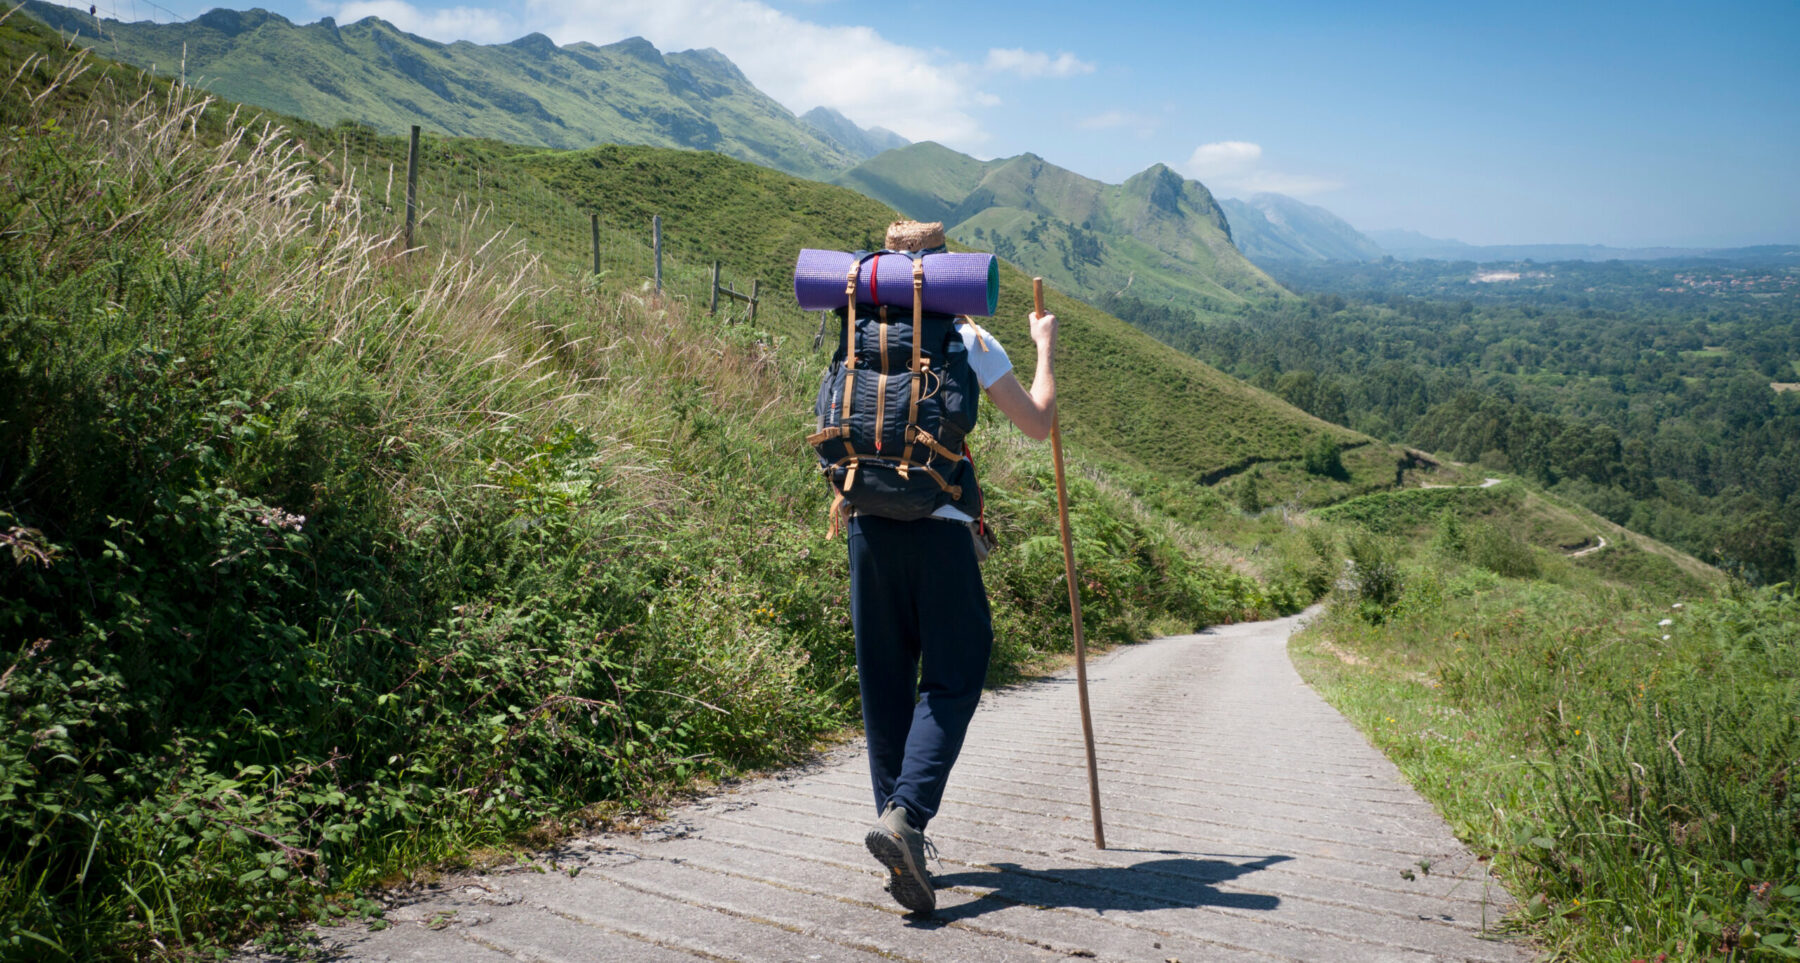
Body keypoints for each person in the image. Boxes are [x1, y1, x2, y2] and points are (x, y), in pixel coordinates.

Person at [850, 220, 1059, 915]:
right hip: (940, 529)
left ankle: (896, 828)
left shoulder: (860, 333)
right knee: (956, 669)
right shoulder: (968, 337)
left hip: (866, 523)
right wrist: (1044, 349)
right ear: (941, 271)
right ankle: (905, 818)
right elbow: (1038, 423)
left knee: (886, 679)